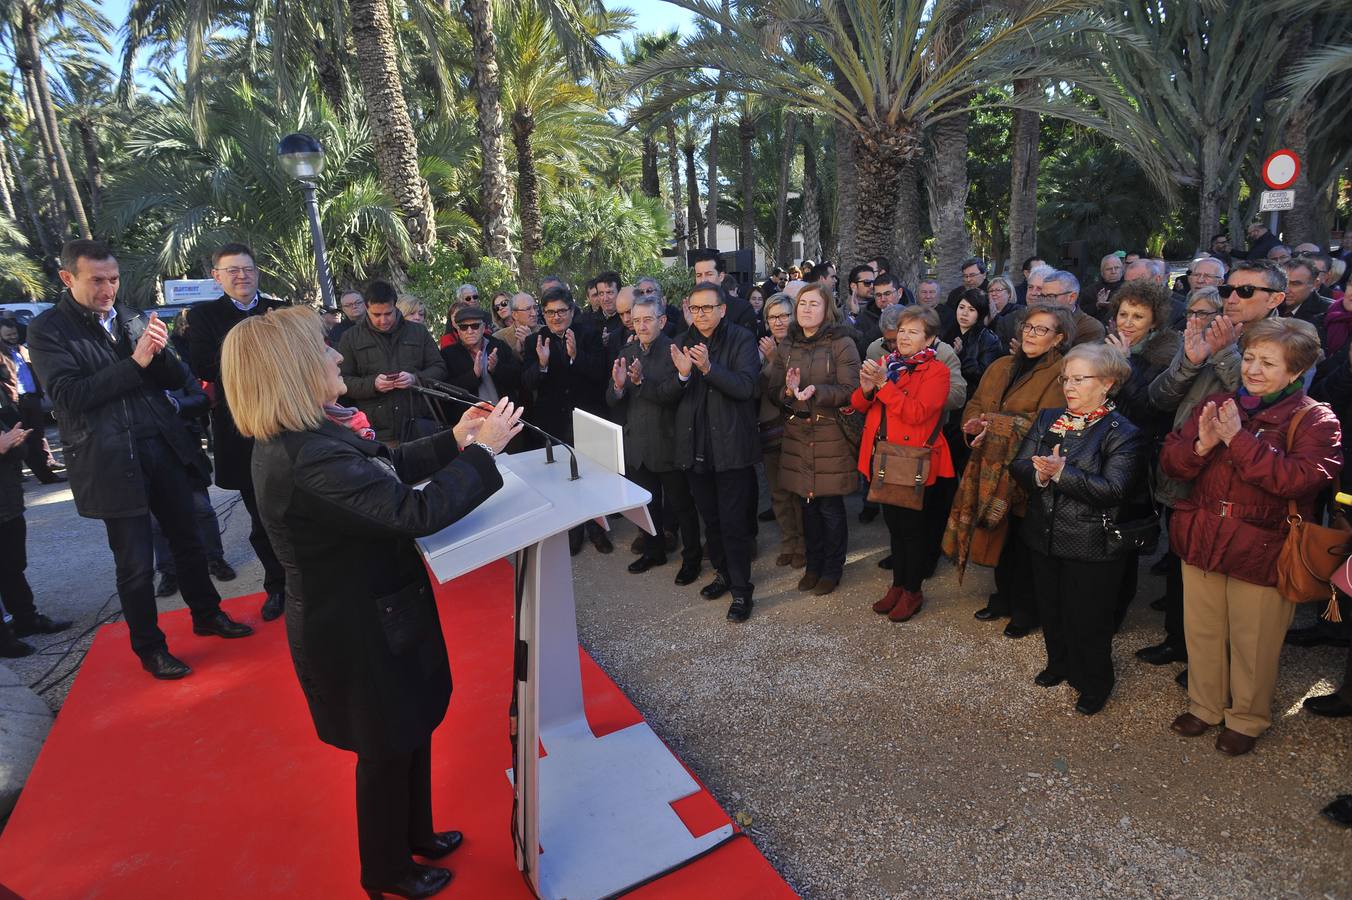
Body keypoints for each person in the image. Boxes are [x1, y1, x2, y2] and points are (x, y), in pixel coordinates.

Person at [227, 306, 522, 899]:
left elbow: (384, 471)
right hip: (357, 630)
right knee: (386, 749)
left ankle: (416, 834)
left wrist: (456, 439)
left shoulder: (310, 435)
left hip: (376, 611)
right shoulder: (307, 455)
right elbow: (411, 511)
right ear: (293, 369)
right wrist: (483, 454)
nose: (339, 357)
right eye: (325, 349)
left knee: (408, 731)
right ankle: (386, 871)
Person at [28, 240, 254, 679]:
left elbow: (176, 376)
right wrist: (136, 361)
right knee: (135, 564)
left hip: (161, 446)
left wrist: (161, 352)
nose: (108, 289)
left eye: (113, 279)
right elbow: (71, 397)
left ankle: (208, 615)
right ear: (67, 278)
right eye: (97, 280)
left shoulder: (131, 316)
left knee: (189, 543)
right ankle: (150, 648)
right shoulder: (49, 330)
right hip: (110, 458)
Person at [1160, 317, 1341, 756]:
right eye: (1251, 358)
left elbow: (1296, 480)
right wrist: (1201, 445)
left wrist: (1238, 441)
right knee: (1201, 631)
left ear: (1296, 372)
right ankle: (1204, 706)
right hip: (1204, 531)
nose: (1254, 370)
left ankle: (1246, 716)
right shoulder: (1222, 401)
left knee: (1253, 640)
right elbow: (1171, 461)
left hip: (1263, 543)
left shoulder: (1316, 419)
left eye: (1269, 363)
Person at [1011, 344, 1145, 716]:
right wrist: (1038, 473)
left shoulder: (1123, 432)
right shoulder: (1049, 418)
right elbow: (1019, 464)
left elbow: (1114, 490)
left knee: (1088, 617)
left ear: (1107, 383)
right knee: (1051, 609)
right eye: (1066, 378)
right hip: (1044, 534)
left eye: (1079, 379)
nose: (1069, 386)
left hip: (1092, 542)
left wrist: (1061, 474)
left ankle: (1094, 682)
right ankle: (1060, 665)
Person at [952, 304, 1074, 637]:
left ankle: (1026, 609)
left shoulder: (1060, 372)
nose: (1032, 334)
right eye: (1029, 327)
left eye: (1042, 330)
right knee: (997, 534)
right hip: (990, 464)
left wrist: (994, 424)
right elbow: (975, 404)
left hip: (1027, 470)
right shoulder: (1001, 365)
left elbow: (1047, 422)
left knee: (1024, 543)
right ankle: (1002, 596)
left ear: (1058, 339)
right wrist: (974, 424)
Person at [189, 242, 289, 619]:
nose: (241, 276)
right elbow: (204, 364)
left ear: (257, 271)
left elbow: (299, 356)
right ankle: (276, 586)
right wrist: (262, 360)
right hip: (241, 429)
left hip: (287, 421)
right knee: (261, 516)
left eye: (246, 268)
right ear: (217, 277)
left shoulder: (278, 309)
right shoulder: (203, 316)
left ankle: (306, 582)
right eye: (232, 270)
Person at [854, 306, 954, 621]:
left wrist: (884, 386)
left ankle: (913, 590)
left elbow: (916, 414)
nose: (904, 336)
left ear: (930, 339)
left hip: (911, 461)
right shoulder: (888, 363)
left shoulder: (937, 371)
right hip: (881, 454)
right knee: (894, 527)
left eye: (913, 331)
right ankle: (898, 585)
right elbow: (858, 404)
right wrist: (868, 388)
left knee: (913, 531)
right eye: (902, 330)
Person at [763, 284, 861, 596]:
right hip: (798, 432)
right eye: (802, 303)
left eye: (813, 304)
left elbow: (852, 390)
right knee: (807, 505)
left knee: (829, 506)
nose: (806, 309)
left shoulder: (842, 343)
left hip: (830, 432)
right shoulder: (788, 345)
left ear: (827, 309)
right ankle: (814, 564)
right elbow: (775, 391)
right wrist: (789, 392)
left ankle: (832, 568)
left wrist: (817, 391)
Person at [672, 282, 761, 621]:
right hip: (696, 448)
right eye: (695, 309)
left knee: (734, 523)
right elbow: (671, 394)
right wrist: (681, 377)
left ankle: (741, 591)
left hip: (731, 447)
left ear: (723, 309)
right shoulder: (682, 341)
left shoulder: (741, 338)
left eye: (708, 308)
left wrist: (709, 369)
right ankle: (723, 574)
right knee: (712, 521)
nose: (701, 314)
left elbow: (746, 387)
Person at [1101, 280, 1181, 622]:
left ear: (1155, 321)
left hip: (1137, 458)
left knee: (1123, 542)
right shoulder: (1107, 346)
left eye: (1138, 315)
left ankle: (1114, 612)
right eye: (1123, 313)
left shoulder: (1166, 354)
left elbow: (1151, 409)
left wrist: (1125, 365)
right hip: (1101, 451)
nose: (1128, 322)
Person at [607, 294, 701, 578]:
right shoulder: (627, 353)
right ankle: (654, 551)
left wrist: (641, 382)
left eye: (647, 319)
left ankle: (692, 560)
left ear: (661, 320)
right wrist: (620, 387)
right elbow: (611, 399)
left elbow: (671, 394)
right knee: (646, 507)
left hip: (668, 443)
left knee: (682, 508)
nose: (641, 326)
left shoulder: (675, 351)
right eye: (636, 321)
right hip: (638, 444)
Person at [521, 287, 611, 554]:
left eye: (561, 311)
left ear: (572, 310)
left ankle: (597, 528)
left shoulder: (590, 335)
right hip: (553, 420)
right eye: (550, 312)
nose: (556, 317)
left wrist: (575, 357)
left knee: (592, 477)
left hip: (586, 416)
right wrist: (542, 365)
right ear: (543, 314)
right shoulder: (533, 342)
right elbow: (526, 383)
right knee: (565, 477)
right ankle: (573, 530)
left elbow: (599, 373)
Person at [151, 361, 236, 598]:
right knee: (157, 522)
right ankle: (169, 571)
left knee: (203, 511)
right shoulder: (128, 371)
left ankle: (215, 559)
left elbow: (202, 399)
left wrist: (176, 405)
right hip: (148, 455)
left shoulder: (176, 368)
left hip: (184, 452)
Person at [0, 382, 71, 657]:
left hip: (8, 500)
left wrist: (12, 444)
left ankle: (26, 619)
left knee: (14, 564)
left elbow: (20, 446)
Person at [338, 280, 447, 447]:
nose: (383, 320)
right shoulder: (350, 338)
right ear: (367, 309)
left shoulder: (418, 332)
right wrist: (372, 384)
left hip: (419, 424)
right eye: (376, 315)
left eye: (388, 313)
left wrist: (414, 378)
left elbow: (439, 368)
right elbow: (342, 381)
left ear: (395, 306)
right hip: (378, 433)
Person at [757, 294, 805, 569]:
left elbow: (793, 390)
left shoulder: (803, 346)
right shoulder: (760, 347)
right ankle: (788, 541)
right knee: (778, 491)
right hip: (769, 428)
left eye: (785, 315)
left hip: (795, 426)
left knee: (798, 491)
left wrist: (775, 360)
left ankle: (803, 544)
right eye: (773, 317)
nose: (779, 322)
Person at [0, 319, 62, 483]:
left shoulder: (22, 349)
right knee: (22, 440)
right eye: (8, 334)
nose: (13, 337)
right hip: (14, 402)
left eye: (14, 333)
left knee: (38, 436)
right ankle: (40, 475)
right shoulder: (1, 353)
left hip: (32, 398)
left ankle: (47, 468)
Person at [439, 304, 521, 409]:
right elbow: (445, 392)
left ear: (483, 328)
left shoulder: (498, 346)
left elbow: (518, 379)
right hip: (471, 420)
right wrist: (473, 375)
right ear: (458, 331)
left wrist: (497, 368)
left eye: (475, 326)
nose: (470, 331)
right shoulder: (448, 355)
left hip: (503, 416)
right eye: (464, 327)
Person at [691, 249, 758, 332]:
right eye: (699, 275)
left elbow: (746, 341)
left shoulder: (742, 308)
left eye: (709, 274)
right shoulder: (690, 310)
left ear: (721, 276)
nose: (703, 280)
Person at [946, 290, 1001, 388]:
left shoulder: (988, 340)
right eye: (961, 307)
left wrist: (961, 355)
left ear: (980, 313)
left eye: (971, 310)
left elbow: (983, 376)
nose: (964, 313)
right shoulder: (947, 331)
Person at [1040, 271, 1106, 347]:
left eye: (1051, 296)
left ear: (1072, 297)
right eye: (1042, 296)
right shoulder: (1035, 320)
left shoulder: (1090, 328)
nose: (1044, 302)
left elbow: (1076, 358)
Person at [1278, 256, 1331, 341]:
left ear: (1315, 284)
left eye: (1295, 284)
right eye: (1283, 283)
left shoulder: (1329, 312)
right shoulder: (1269, 305)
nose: (1286, 290)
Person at [493, 292, 540, 356]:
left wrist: (531, 342)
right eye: (528, 309)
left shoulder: (548, 332)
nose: (534, 313)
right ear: (515, 315)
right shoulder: (497, 338)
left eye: (535, 307)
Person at [1084, 253, 1126, 324]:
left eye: (1116, 268)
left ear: (1122, 270)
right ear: (1102, 272)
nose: (1113, 272)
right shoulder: (1090, 290)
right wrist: (1097, 305)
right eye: (1109, 269)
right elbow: (1083, 312)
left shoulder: (1129, 287)